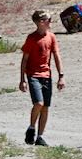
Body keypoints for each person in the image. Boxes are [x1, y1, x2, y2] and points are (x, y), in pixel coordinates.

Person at [19, 9, 65, 146]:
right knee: (39, 103)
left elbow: (56, 56)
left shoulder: (51, 37)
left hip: (47, 75)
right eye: (48, 20)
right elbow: (24, 60)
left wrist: (61, 76)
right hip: (33, 75)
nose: (50, 22)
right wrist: (22, 80)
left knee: (45, 107)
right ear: (40, 22)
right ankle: (31, 128)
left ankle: (40, 136)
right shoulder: (31, 38)